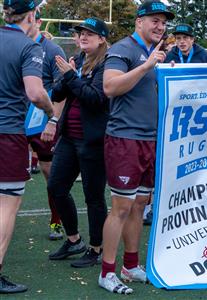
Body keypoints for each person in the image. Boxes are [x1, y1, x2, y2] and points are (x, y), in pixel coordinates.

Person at [100, 0, 174, 294]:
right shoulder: (123, 49)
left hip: (150, 139)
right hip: (125, 138)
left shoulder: (155, 53)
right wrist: (146, 66)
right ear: (139, 22)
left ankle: (131, 265)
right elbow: (110, 87)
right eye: (154, 20)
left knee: (140, 204)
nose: (160, 26)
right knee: (121, 206)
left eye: (163, 22)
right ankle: (107, 271)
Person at [47, 17, 110, 268]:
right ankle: (74, 240)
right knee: (56, 186)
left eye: (89, 33)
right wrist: (68, 77)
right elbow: (57, 93)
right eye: (81, 33)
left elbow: (95, 98)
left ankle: (96, 248)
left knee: (93, 197)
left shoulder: (108, 63)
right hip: (69, 137)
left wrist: (72, 77)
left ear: (102, 38)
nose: (83, 36)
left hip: (92, 140)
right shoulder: (80, 60)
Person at [0, 0, 54, 293]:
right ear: (32, 15)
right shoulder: (28, 45)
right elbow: (35, 93)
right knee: (7, 205)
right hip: (7, 132)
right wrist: (50, 112)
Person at [27, 10, 67, 240]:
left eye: (29, 18)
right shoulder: (12, 44)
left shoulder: (52, 49)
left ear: (38, 21)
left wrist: (52, 119)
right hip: (13, 118)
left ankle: (56, 220)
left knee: (49, 172)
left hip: (41, 117)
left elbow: (61, 89)